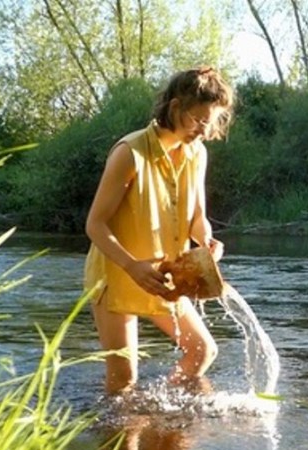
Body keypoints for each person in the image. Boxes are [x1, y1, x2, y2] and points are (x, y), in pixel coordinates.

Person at [83, 66, 234, 395]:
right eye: (199, 120)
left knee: (202, 351)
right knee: (123, 379)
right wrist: (132, 266)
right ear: (176, 107)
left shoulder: (197, 153)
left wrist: (206, 239)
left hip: (165, 276)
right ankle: (122, 426)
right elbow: (94, 224)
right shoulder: (130, 152)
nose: (205, 131)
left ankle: (162, 415)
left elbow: (198, 217)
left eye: (211, 122)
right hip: (116, 273)